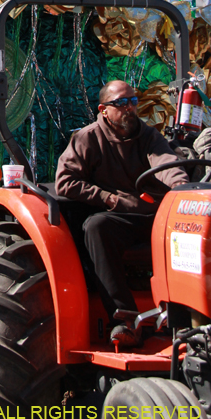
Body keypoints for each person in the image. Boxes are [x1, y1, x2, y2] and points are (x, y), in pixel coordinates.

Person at [56, 79, 189, 347]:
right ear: (104, 109)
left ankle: (187, 314)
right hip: (117, 214)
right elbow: (65, 182)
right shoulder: (88, 138)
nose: (130, 108)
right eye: (121, 103)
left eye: (133, 101)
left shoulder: (148, 135)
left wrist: (182, 187)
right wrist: (109, 198)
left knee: (190, 224)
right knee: (96, 227)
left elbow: (166, 164)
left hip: (153, 213)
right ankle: (125, 319)